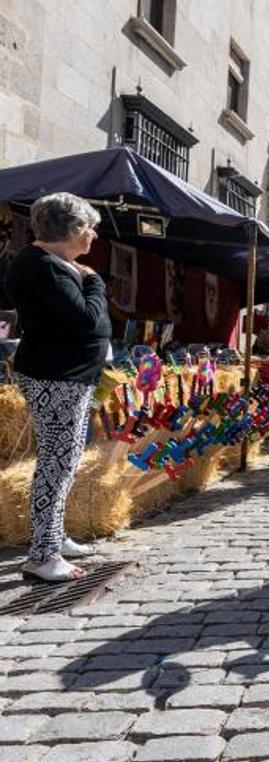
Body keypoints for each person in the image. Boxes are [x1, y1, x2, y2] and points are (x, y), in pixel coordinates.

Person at [3, 193, 109, 582]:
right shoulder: (44, 267)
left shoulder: (55, 265)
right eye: (90, 228)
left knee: (64, 461)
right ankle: (43, 554)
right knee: (56, 462)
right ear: (73, 229)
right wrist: (95, 283)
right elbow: (86, 320)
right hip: (56, 376)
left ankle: (54, 536)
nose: (94, 235)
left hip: (66, 376)